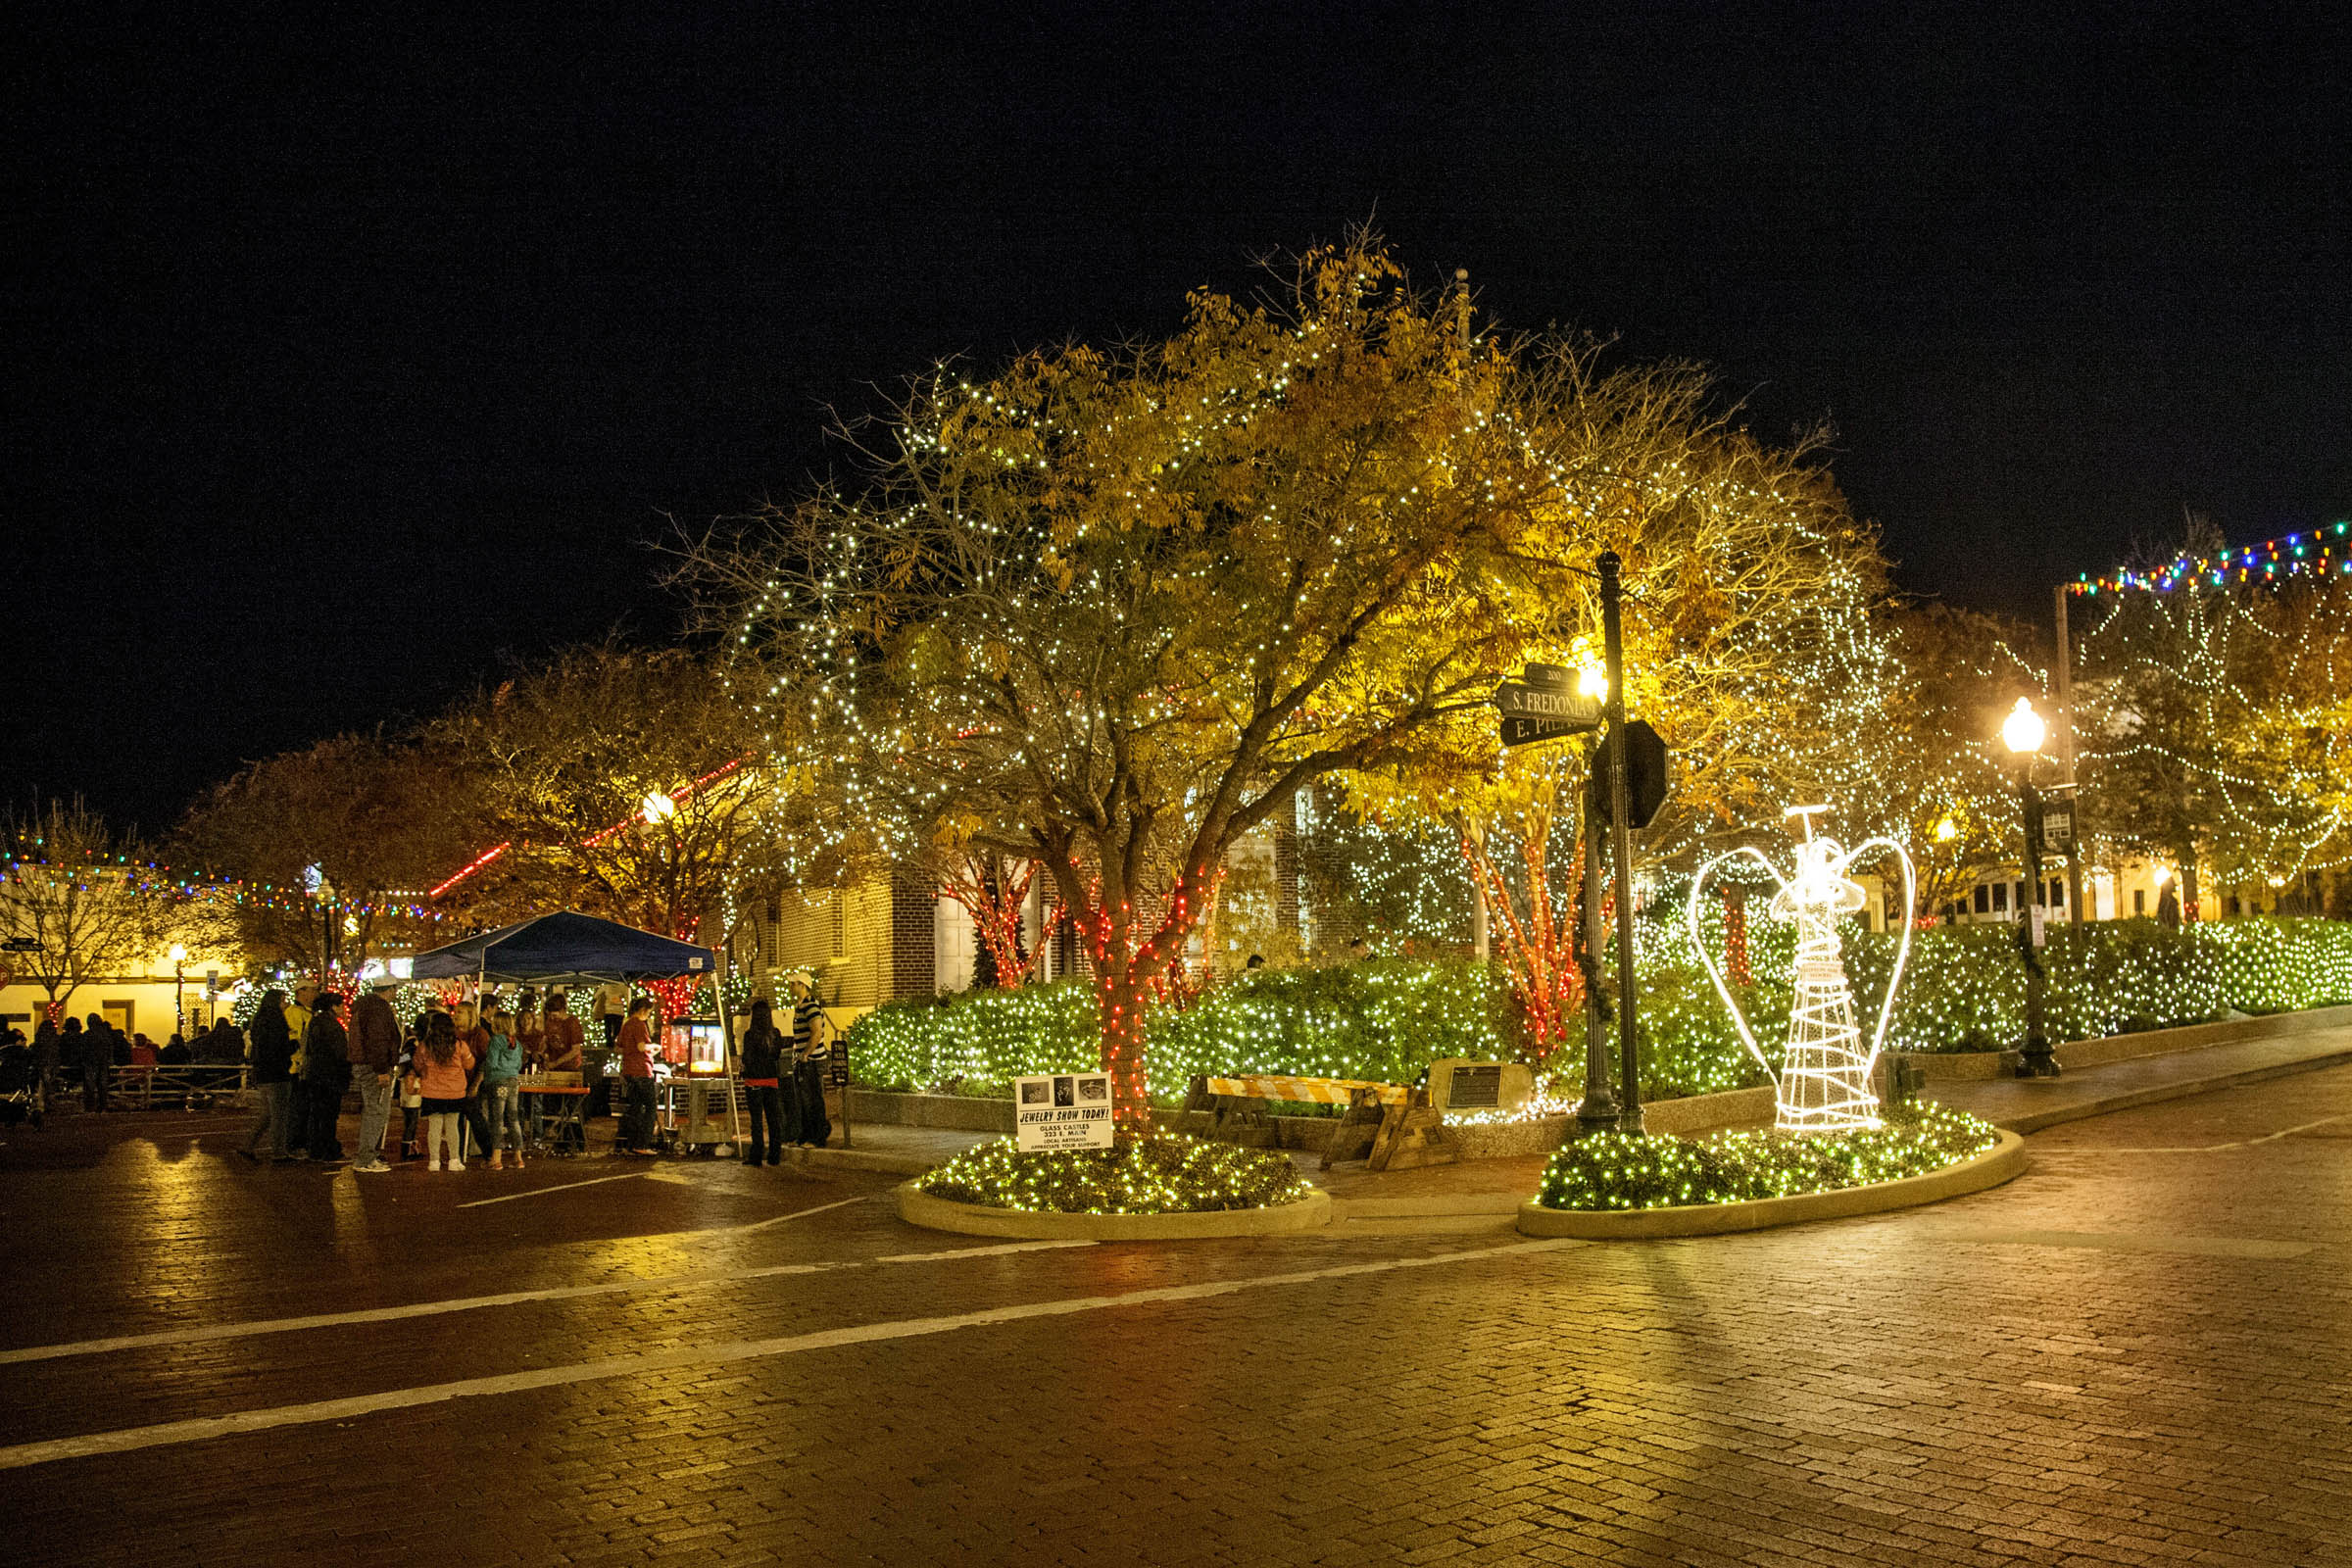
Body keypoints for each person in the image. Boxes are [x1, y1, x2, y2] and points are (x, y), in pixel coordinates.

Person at [348, 983, 401, 1173]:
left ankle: (368, 1155)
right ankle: (366, 1158)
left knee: (374, 1110)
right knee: (376, 1111)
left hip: (365, 1065)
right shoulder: (378, 1009)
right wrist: (381, 1070)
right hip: (374, 1067)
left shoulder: (364, 1007)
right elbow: (377, 1040)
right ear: (389, 990)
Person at [239, 990, 296, 1161]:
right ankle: (279, 1152)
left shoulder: (259, 1021)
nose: (285, 1004)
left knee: (268, 1113)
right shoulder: (275, 1021)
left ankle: (248, 1145)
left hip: (262, 1072)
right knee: (279, 1114)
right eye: (283, 1000)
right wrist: (293, 1045)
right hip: (276, 1073)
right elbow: (278, 1047)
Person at [415, 1010, 474, 1171]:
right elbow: (469, 1064)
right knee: (452, 1127)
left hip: (432, 1092)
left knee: (433, 1127)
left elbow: (418, 1064)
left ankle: (434, 1161)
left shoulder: (425, 1046)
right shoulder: (460, 1045)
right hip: (454, 1092)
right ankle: (454, 1159)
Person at [301, 991, 351, 1162]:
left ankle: (315, 1148)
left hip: (316, 1074)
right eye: (341, 1005)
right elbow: (340, 1053)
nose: (344, 1009)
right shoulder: (331, 1026)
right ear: (333, 1007)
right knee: (328, 1114)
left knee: (317, 1113)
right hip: (330, 1075)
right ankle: (328, 1149)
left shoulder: (315, 1022)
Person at [738, 999, 786, 1166]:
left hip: (754, 1082)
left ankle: (756, 1155)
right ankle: (774, 1155)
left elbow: (747, 1058)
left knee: (756, 1120)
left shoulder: (750, 1035)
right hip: (771, 1081)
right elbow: (777, 1056)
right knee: (773, 1120)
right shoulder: (776, 1034)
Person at [537, 992, 586, 1152]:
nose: (553, 1017)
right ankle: (560, 1142)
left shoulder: (572, 1023)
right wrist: (542, 1051)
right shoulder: (550, 1022)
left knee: (570, 1108)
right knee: (553, 1106)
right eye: (550, 1014)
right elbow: (546, 1040)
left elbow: (575, 1050)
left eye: (555, 1013)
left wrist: (555, 1062)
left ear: (563, 1009)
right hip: (553, 1069)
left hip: (570, 1069)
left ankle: (577, 1142)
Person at [482, 1005, 525, 1170]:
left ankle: (496, 1158)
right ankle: (518, 1156)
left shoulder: (496, 1040)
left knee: (497, 1119)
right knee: (513, 1119)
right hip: (513, 1081)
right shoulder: (517, 1043)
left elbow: (492, 1062)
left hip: (497, 1081)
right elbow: (519, 1064)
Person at [788, 976, 830, 1148]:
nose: (790, 987)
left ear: (803, 985)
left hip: (812, 1060)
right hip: (804, 1059)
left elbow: (817, 1032)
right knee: (803, 1100)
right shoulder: (801, 1006)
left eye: (793, 984)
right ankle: (804, 1135)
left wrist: (806, 1054)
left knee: (813, 1099)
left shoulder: (811, 1006)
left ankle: (817, 1138)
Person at [614, 997, 658, 1155]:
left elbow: (619, 1047)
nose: (648, 1016)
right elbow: (641, 1046)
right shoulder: (639, 1025)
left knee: (635, 1108)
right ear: (643, 1010)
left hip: (628, 1070)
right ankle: (642, 1143)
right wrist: (654, 1046)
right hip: (641, 1070)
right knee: (651, 1107)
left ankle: (630, 1144)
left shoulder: (626, 1024)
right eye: (649, 1013)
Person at [282, 983, 317, 1156]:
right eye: (312, 990)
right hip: (297, 1069)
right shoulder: (295, 1013)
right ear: (301, 992)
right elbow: (294, 1040)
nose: (315, 993)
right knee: (297, 1109)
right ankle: (294, 1144)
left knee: (304, 1108)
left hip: (306, 1067)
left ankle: (302, 1141)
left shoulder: (308, 1012)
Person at [78, 1013, 113, 1111]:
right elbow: (109, 1048)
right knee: (102, 1086)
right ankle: (103, 1106)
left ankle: (90, 1107)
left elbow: (83, 1050)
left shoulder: (87, 1035)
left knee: (90, 1087)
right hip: (103, 1063)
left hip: (90, 1063)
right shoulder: (105, 1035)